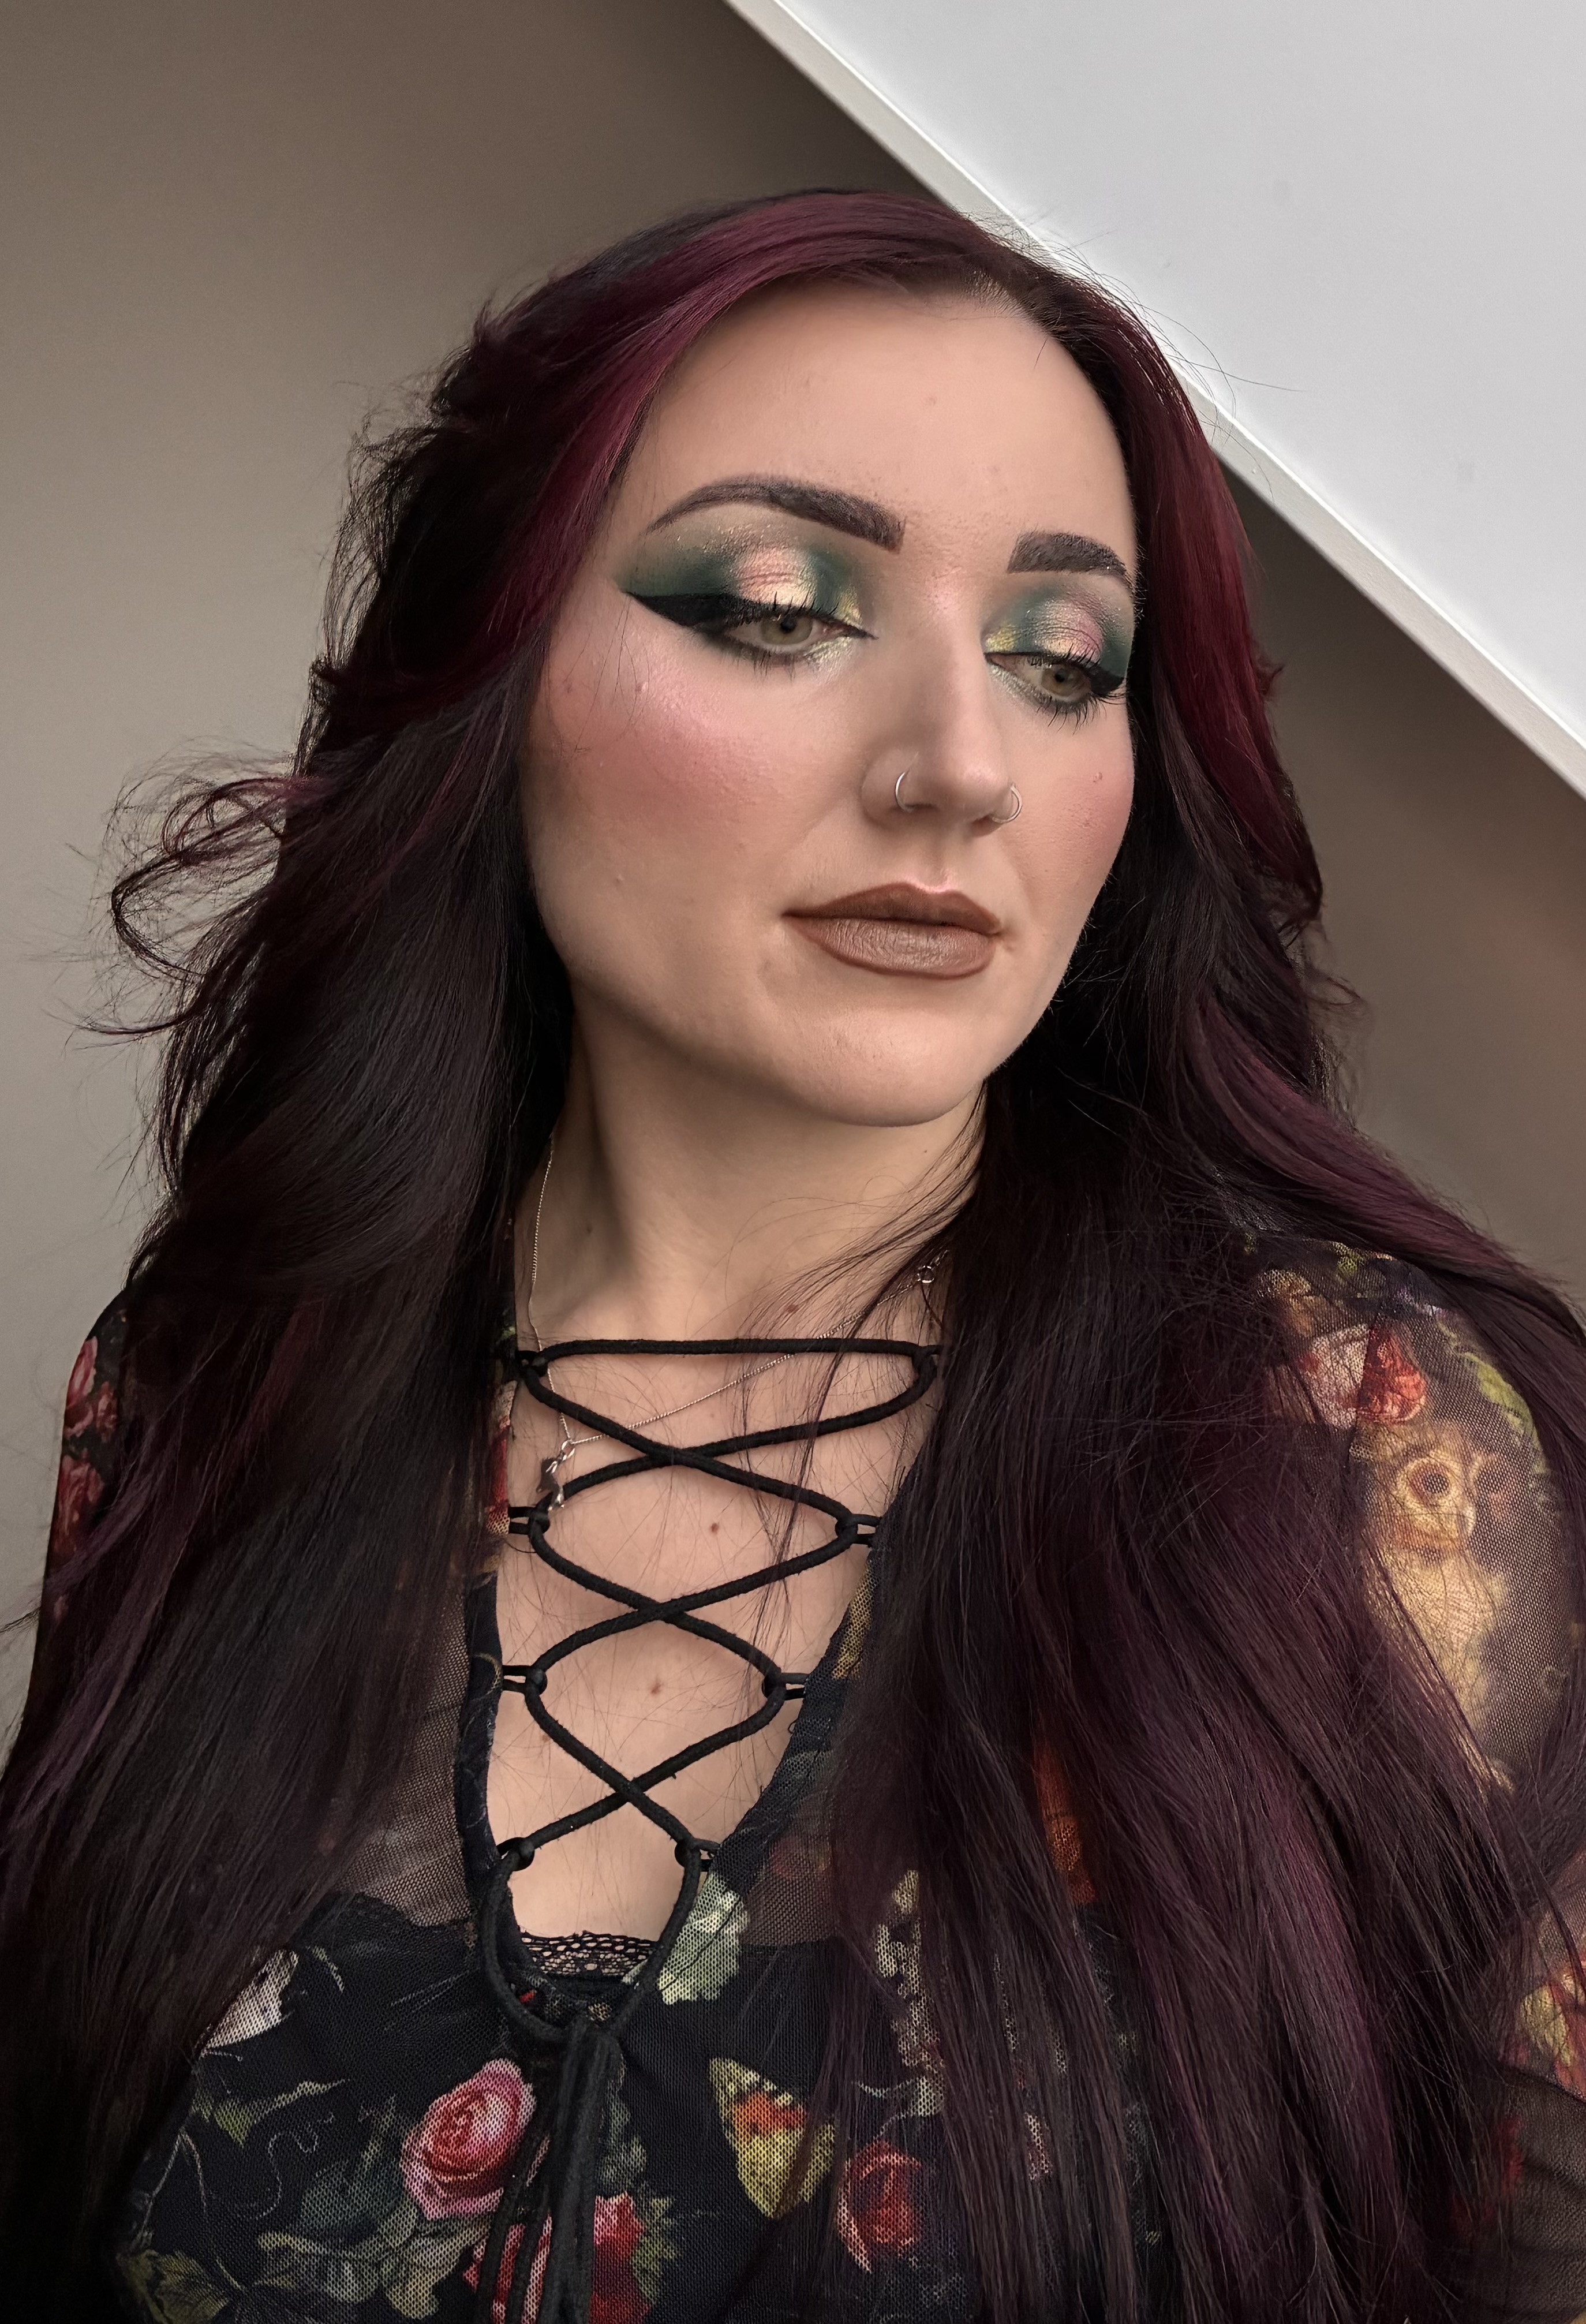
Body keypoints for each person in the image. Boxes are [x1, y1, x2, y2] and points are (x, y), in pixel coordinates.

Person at [3, 189, 1585, 2324]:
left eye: (1060, 659)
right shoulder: (214, 1382)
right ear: (491, 672)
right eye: (777, 609)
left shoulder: (1373, 1456)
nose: (960, 768)